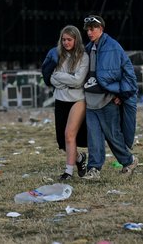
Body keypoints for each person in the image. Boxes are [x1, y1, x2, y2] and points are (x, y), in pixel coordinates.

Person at [81, 15, 138, 180]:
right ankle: (94, 169)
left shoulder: (113, 47)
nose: (90, 32)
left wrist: (122, 94)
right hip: (91, 100)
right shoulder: (88, 48)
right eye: (88, 30)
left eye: (93, 29)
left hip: (107, 100)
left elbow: (126, 72)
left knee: (113, 136)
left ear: (101, 29)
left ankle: (129, 161)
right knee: (93, 137)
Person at [43, 25, 90, 181]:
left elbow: (78, 81)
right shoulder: (57, 55)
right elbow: (50, 78)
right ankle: (79, 158)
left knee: (70, 134)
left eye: (69, 39)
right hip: (60, 98)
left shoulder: (84, 56)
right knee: (62, 141)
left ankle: (68, 172)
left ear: (76, 39)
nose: (66, 42)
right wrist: (65, 79)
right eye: (63, 39)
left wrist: (60, 77)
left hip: (78, 99)